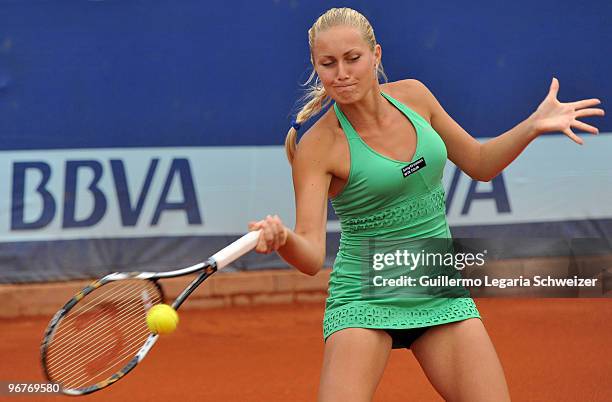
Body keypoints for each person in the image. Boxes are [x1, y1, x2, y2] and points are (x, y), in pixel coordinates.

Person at [248, 7, 604, 402]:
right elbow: (312, 255)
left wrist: (533, 125)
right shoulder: (317, 146)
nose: (342, 73)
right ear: (316, 67)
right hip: (365, 294)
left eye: (353, 59)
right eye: (328, 64)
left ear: (376, 55)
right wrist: (283, 239)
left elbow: (481, 164)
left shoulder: (415, 96)